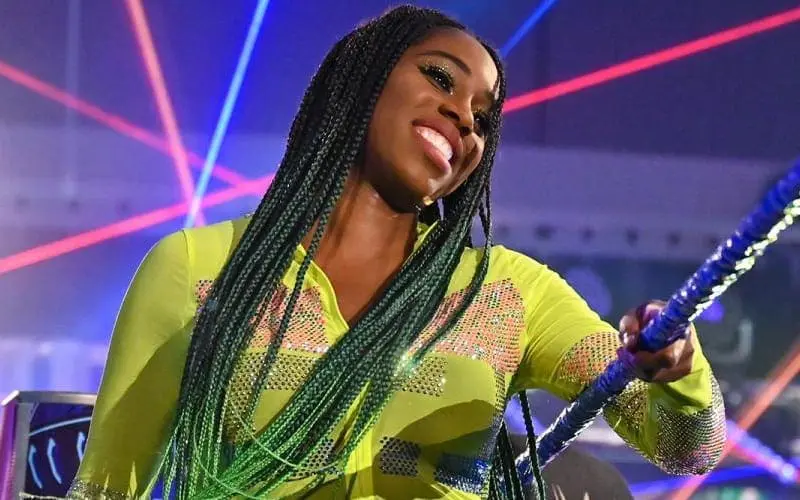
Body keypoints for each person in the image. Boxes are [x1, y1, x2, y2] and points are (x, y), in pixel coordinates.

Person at [67, 5, 726, 499]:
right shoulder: (196, 268)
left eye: (483, 118)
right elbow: (105, 488)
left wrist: (677, 369)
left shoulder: (508, 294)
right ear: (363, 81)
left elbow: (686, 448)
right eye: (440, 78)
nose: (464, 117)